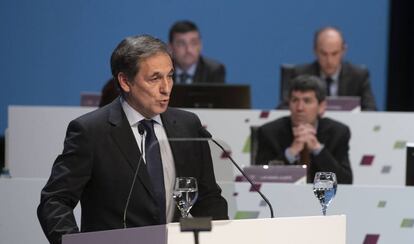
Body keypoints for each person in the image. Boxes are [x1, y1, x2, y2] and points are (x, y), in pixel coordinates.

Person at [37, 35, 228, 244]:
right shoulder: (91, 132)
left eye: (170, 76)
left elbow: (208, 200)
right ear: (125, 82)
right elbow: (54, 201)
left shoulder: (188, 125)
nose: (166, 88)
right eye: (155, 78)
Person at [256, 75, 353, 184]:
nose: (300, 108)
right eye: (295, 100)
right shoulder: (269, 132)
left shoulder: (338, 133)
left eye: (307, 101)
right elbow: (259, 179)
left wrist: (318, 150)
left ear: (321, 107)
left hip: (322, 198)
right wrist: (290, 153)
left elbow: (345, 182)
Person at [280, 26, 377, 111]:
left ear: (343, 51)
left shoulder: (358, 76)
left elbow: (370, 110)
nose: (329, 60)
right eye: (324, 54)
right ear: (315, 51)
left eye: (334, 53)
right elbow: (284, 109)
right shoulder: (300, 74)